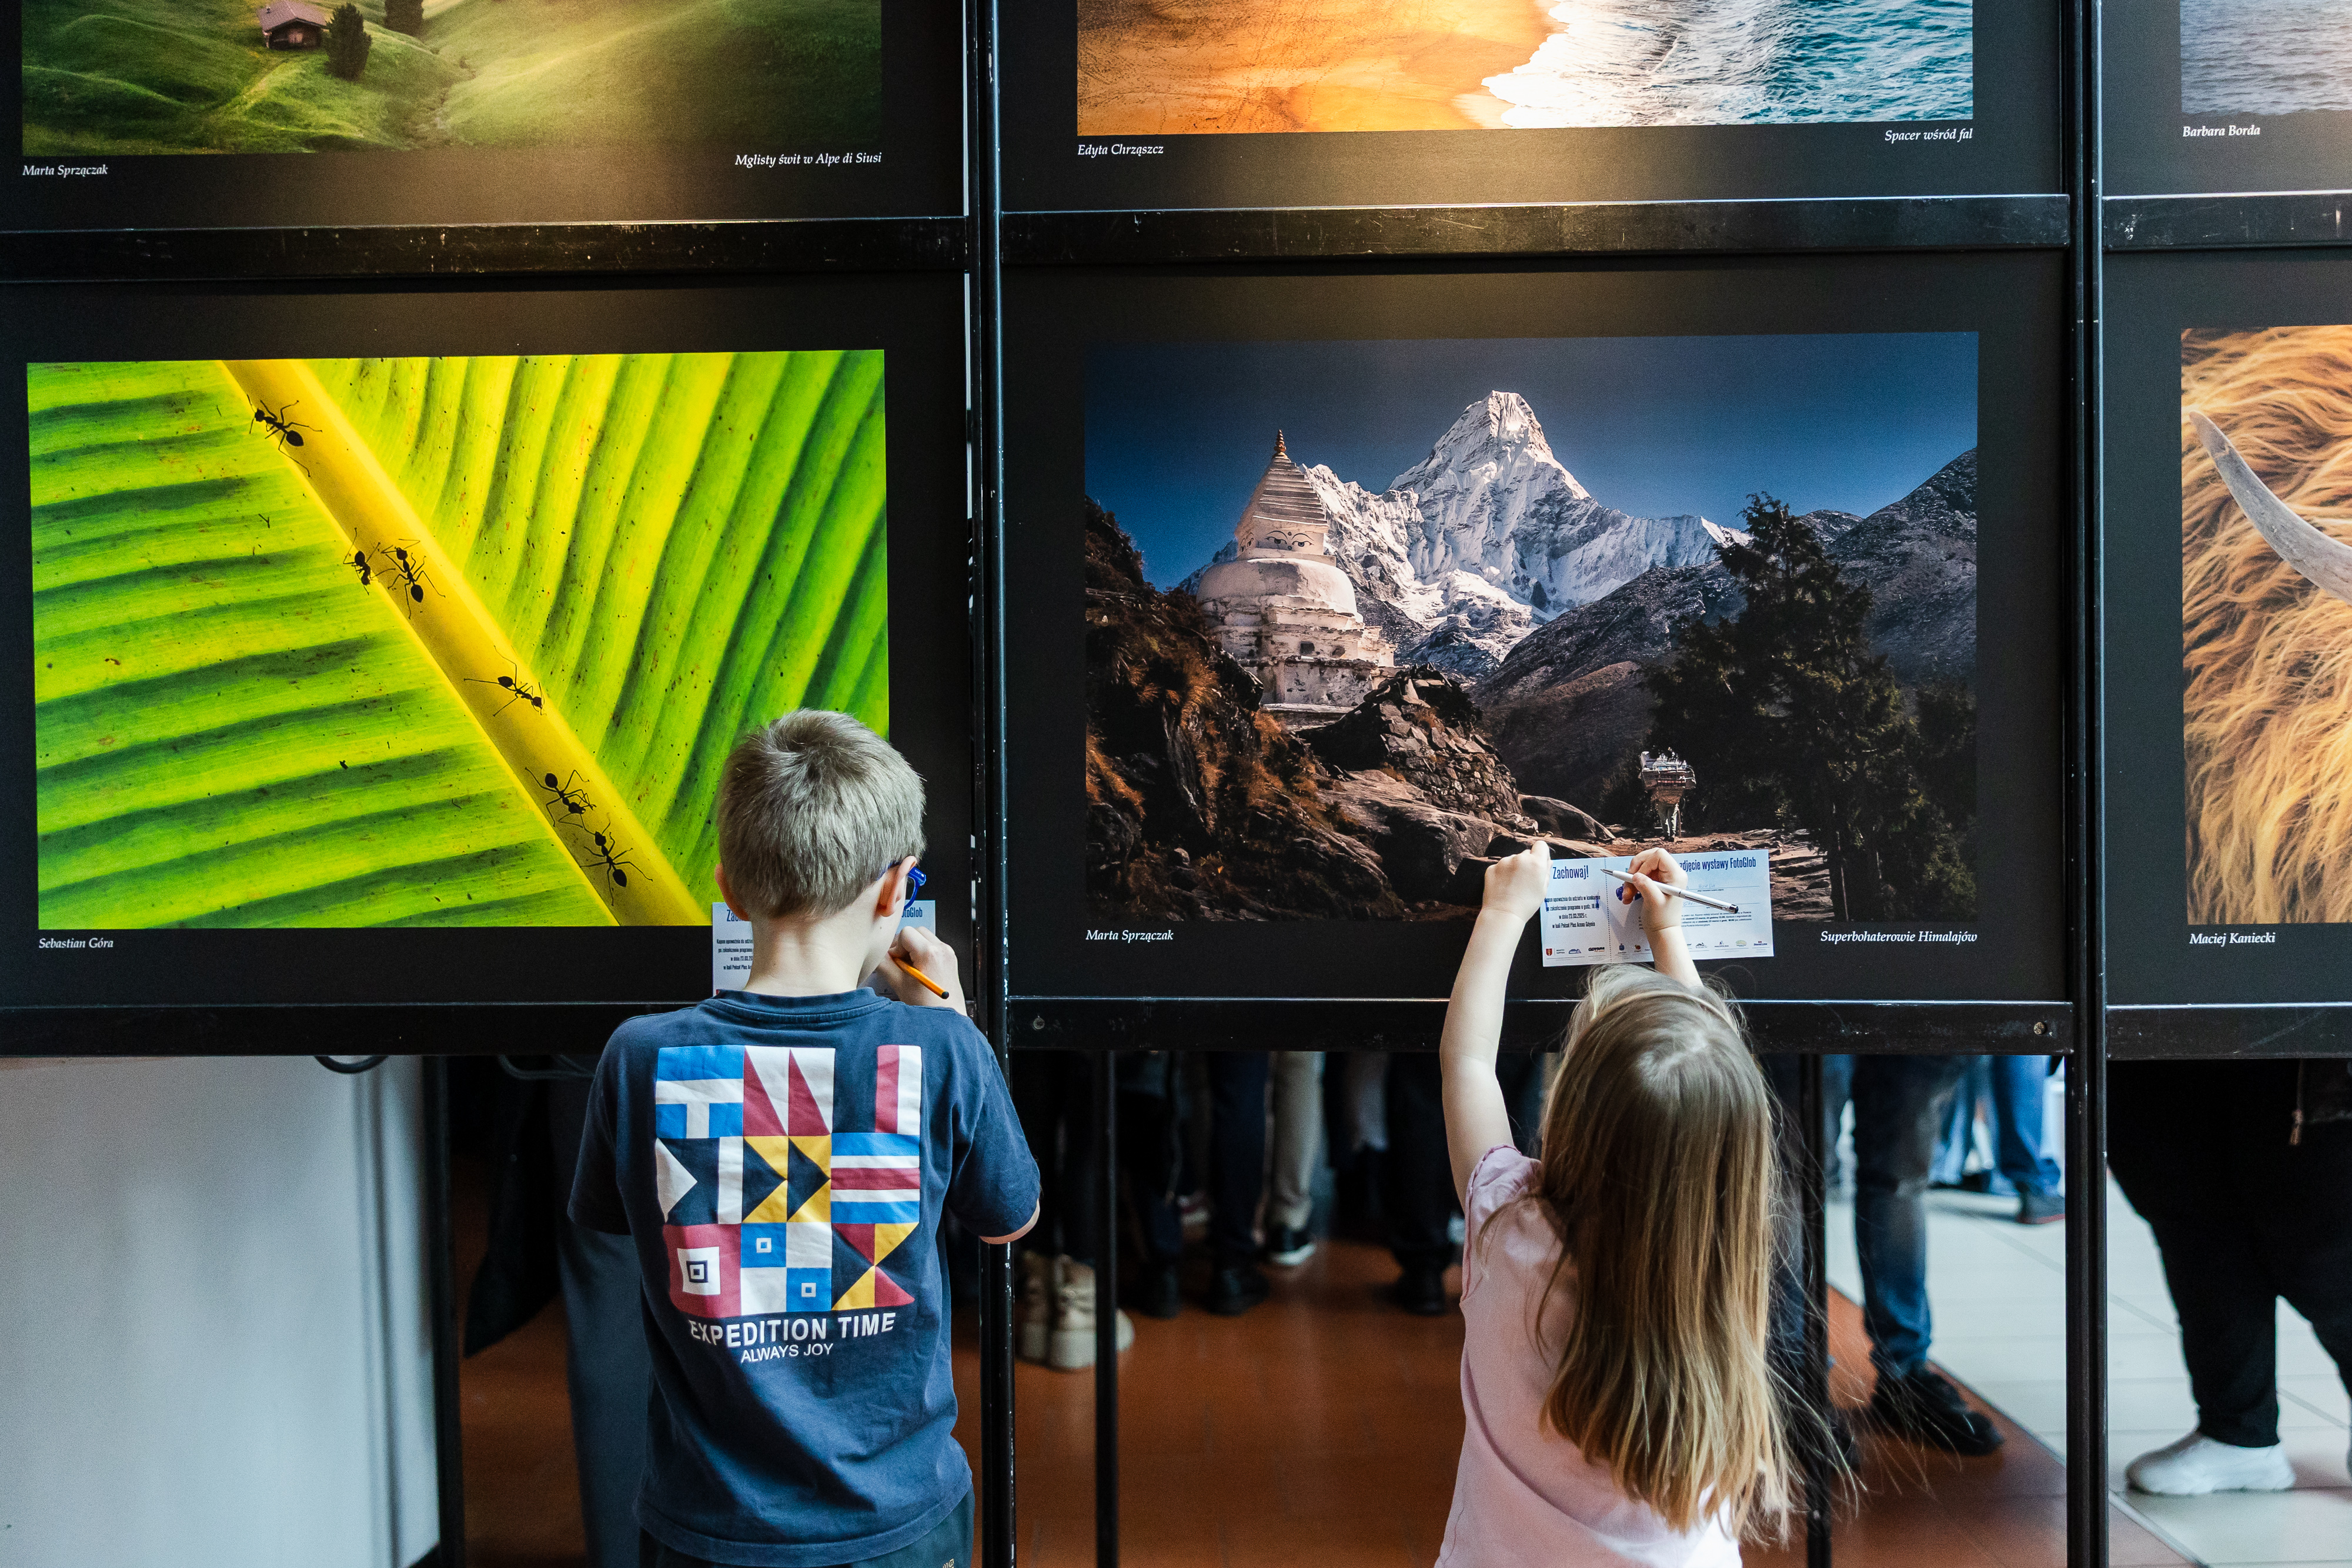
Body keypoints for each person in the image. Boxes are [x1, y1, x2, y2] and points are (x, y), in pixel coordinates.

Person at [569, 711, 1040, 1568]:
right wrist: (959, 1020)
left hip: (703, 1526)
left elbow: (617, 1222)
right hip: (898, 1519)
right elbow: (1009, 1217)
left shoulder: (638, 1057)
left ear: (729, 889)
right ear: (898, 892)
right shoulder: (940, 1049)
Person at [1435, 843, 1802, 1563]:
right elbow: (1717, 1102)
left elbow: (1468, 1063)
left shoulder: (1509, 1232)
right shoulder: (1726, 1263)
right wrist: (1669, 937)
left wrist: (1503, 913)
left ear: (1570, 1108)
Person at [2109, 1058, 2352, 1496]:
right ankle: (2238, 1433)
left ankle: (2238, 1429)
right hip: (2154, 1024)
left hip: (2302, 1024)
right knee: (2195, 1225)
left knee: (2322, 1237)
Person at [1766, 1051, 2004, 1456]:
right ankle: (1793, 1382)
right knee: (1798, 1176)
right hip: (1819, 992)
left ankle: (1903, 1374)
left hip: (1921, 996)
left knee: (1898, 1178)